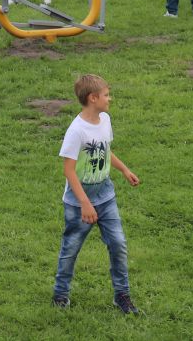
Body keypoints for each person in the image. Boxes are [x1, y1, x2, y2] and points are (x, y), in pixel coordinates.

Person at [53, 74, 141, 314]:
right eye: (106, 94)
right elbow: (69, 171)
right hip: (79, 203)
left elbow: (105, 151)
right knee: (70, 248)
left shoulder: (105, 120)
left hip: (106, 197)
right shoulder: (76, 131)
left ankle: (122, 295)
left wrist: (124, 169)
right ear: (93, 98)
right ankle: (60, 294)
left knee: (118, 244)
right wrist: (85, 204)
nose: (109, 98)